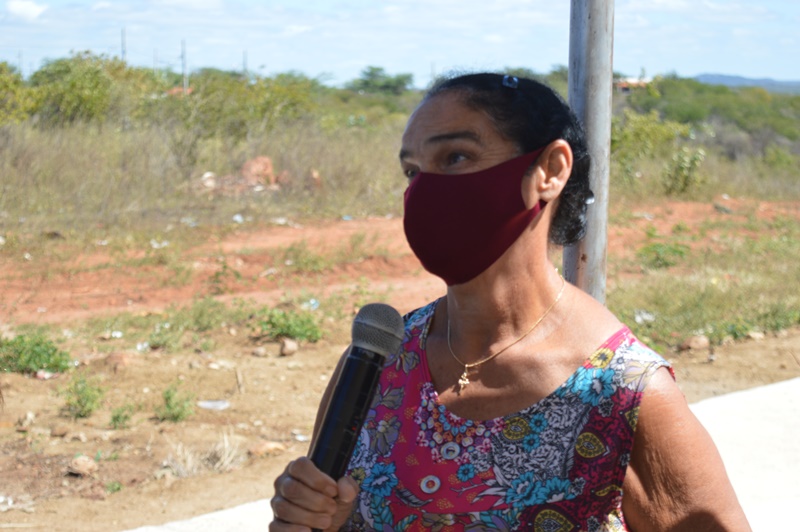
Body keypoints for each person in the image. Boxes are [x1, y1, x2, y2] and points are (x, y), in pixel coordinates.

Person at [269, 73, 750, 531]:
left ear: (550, 171)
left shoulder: (624, 395)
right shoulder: (382, 360)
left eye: (456, 157)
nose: (424, 191)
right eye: (413, 171)